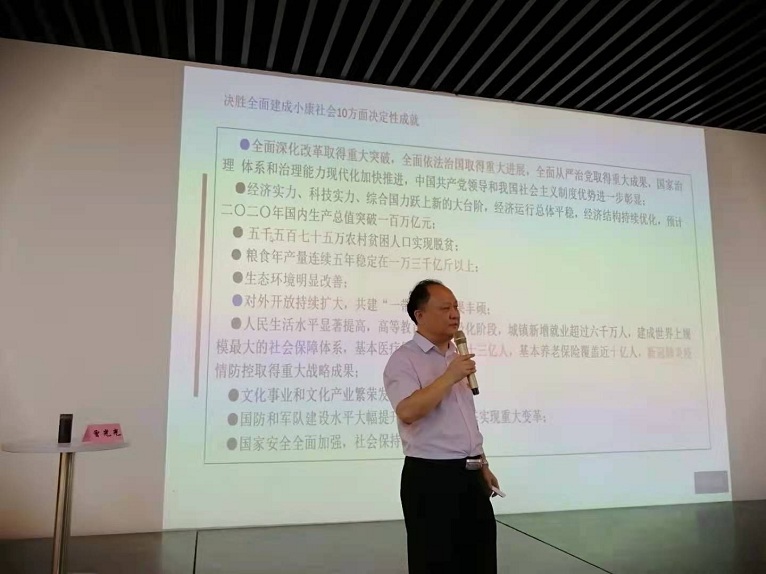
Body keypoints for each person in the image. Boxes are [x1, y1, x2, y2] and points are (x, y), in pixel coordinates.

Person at [383, 279, 499, 574]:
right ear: (419, 315)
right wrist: (448, 377)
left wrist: (482, 462)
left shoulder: (456, 357)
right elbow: (408, 411)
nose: (454, 314)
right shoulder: (404, 359)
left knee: (480, 561)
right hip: (431, 478)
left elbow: (463, 418)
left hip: (470, 475)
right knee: (436, 563)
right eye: (445, 308)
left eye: (456, 307)